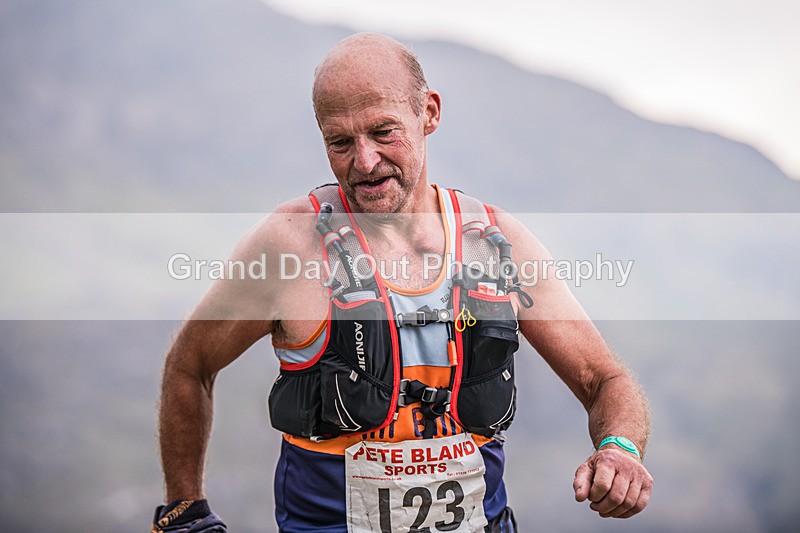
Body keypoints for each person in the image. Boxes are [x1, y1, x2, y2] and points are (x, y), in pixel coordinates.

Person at [154, 33, 652, 532]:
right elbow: (190, 365)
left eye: (383, 132)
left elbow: (604, 380)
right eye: (340, 142)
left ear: (429, 113)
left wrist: (620, 449)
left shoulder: (495, 242)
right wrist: (184, 512)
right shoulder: (292, 245)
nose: (365, 161)